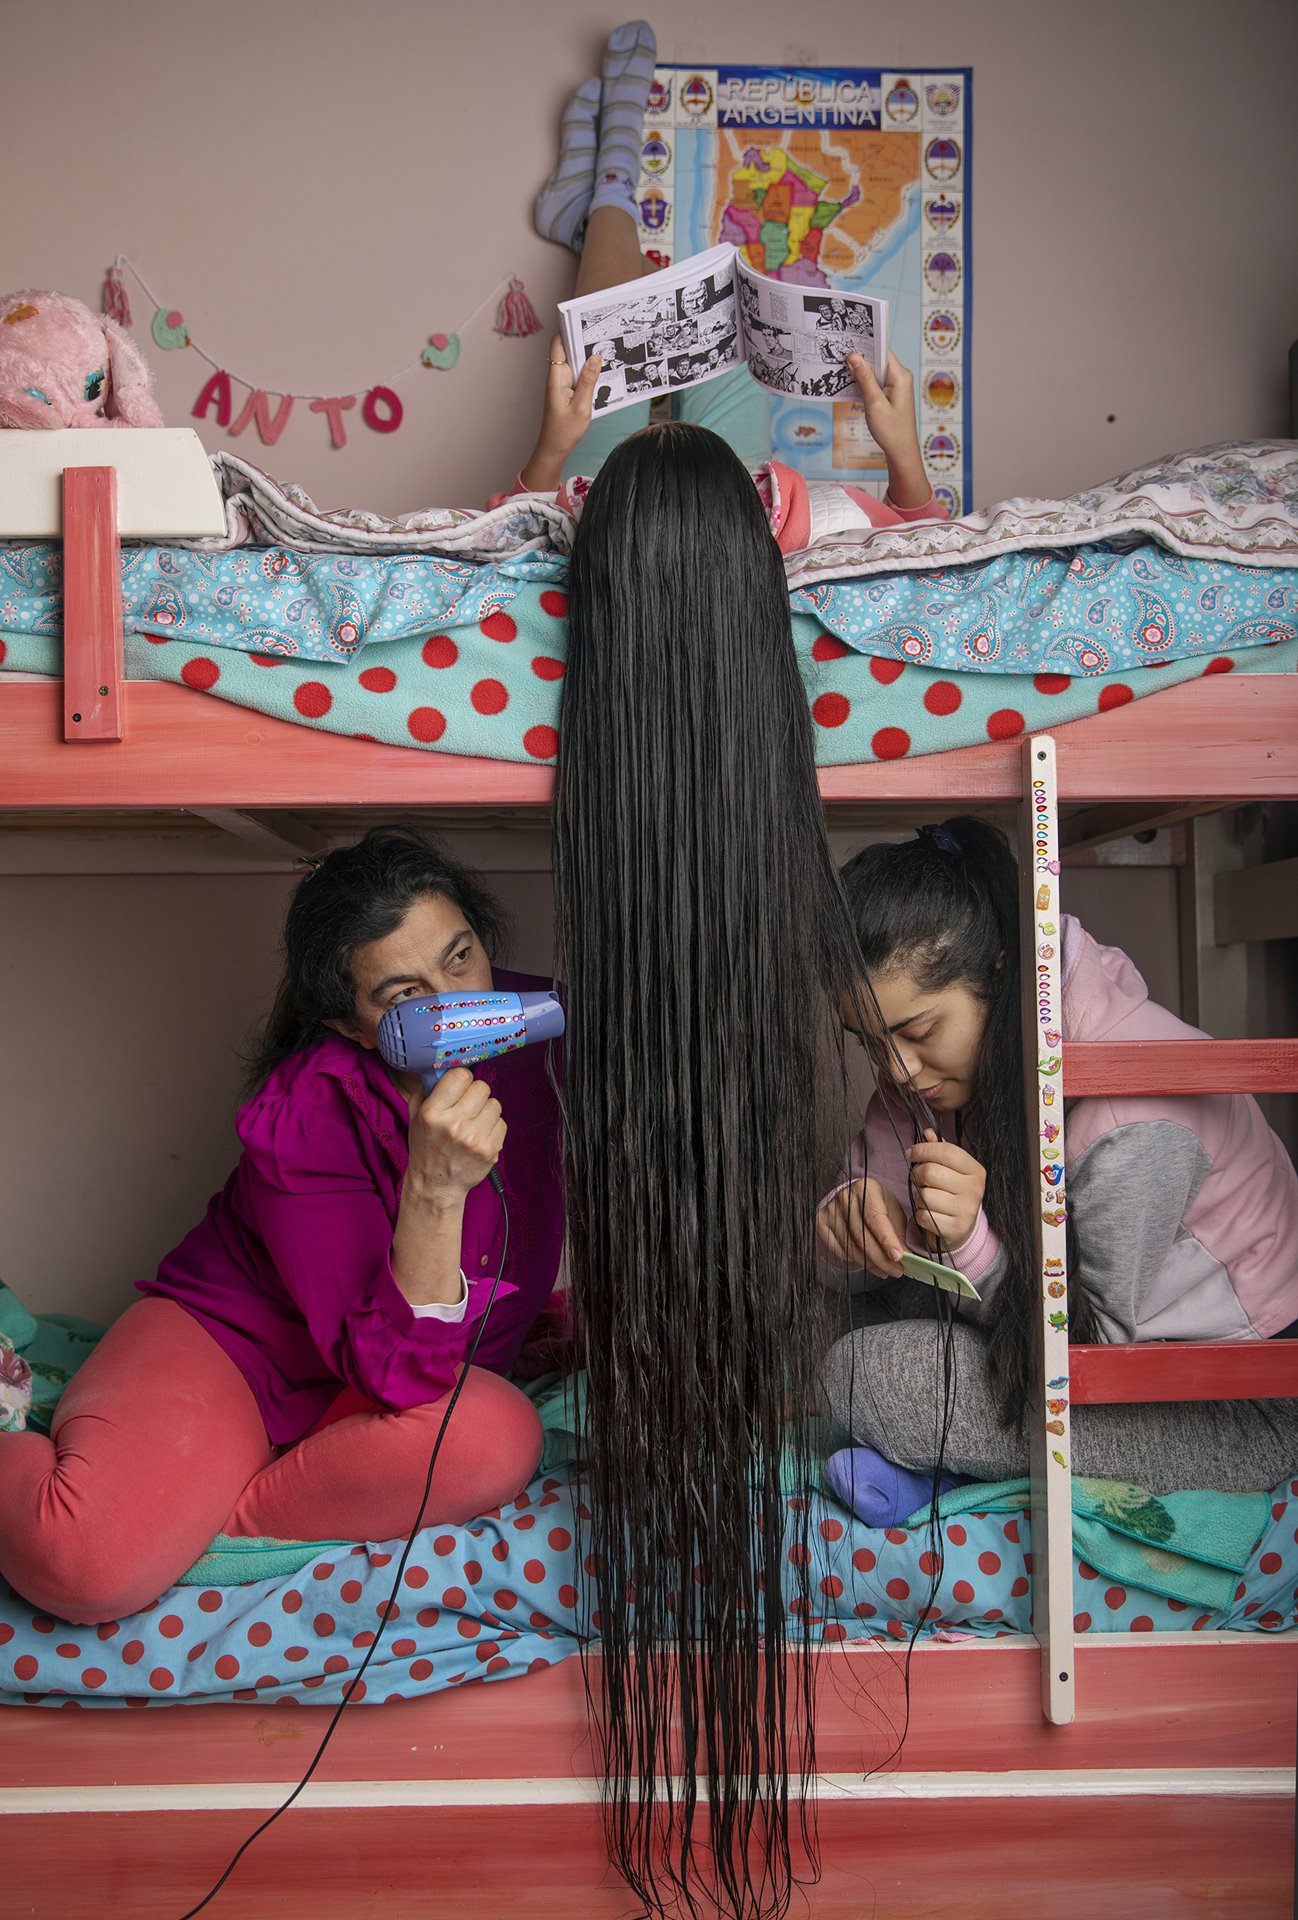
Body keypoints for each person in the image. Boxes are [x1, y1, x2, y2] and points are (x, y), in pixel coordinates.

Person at [0, 828, 562, 1623]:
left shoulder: (541, 1037)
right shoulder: (302, 1113)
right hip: (233, 1350)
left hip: (375, 1390)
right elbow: (389, 1376)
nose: (455, 1002)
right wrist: (434, 1189)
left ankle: (229, 1522)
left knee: (498, 1435)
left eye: (461, 957)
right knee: (80, 1567)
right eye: (405, 996)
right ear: (349, 1026)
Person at [817, 816, 1298, 1500]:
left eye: (918, 1031)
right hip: (1050, 1344)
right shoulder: (927, 1076)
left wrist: (970, 1243)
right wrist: (846, 1225)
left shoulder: (1131, 1119)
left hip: (1223, 1401)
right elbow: (851, 1276)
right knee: (820, 1323)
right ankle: (941, 1469)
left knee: (868, 1375)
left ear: (1004, 975)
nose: (894, 1068)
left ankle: (936, 1462)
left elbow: (1090, 1360)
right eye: (868, 1042)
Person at [515, 19, 945, 545]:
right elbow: (926, 548)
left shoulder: (587, 532)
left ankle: (611, 183)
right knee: (697, 326)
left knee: (615, 321)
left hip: (621, 500)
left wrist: (551, 449)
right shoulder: (766, 538)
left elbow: (508, 534)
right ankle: (597, 208)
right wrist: (903, 450)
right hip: (717, 500)